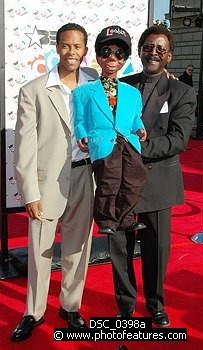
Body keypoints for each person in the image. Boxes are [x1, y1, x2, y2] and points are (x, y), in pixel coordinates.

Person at [10, 23, 98, 342]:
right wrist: (30, 192)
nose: (71, 52)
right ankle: (33, 312)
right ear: (57, 48)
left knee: (78, 247)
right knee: (39, 250)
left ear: (85, 50)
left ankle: (70, 306)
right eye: (65, 45)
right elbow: (25, 146)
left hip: (84, 176)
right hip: (47, 184)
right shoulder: (33, 89)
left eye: (77, 46)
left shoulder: (95, 83)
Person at [108, 25, 197, 326]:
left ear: (169, 56)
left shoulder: (181, 91)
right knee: (120, 250)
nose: (153, 52)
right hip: (121, 183)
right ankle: (125, 306)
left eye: (160, 48)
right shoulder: (122, 86)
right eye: (148, 46)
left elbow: (178, 139)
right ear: (140, 50)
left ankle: (156, 304)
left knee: (156, 251)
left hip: (157, 183)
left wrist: (137, 147)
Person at [73, 26, 148, 236]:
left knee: (135, 179)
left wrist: (140, 129)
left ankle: (127, 218)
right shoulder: (83, 92)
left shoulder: (132, 93)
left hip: (129, 142)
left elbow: (135, 118)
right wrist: (82, 135)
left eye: (119, 54)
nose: (112, 58)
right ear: (97, 56)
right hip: (103, 142)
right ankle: (107, 220)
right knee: (109, 182)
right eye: (106, 53)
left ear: (124, 59)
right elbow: (79, 120)